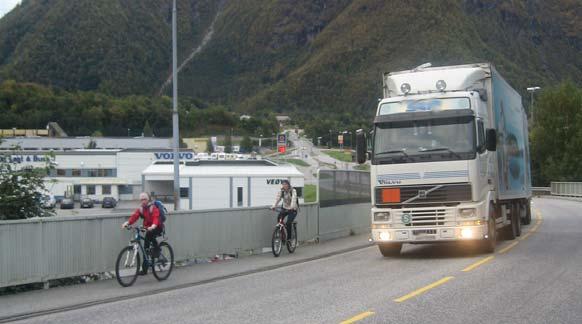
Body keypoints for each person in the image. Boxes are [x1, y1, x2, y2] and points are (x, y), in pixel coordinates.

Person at [121, 192, 163, 275]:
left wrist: (153, 225)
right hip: (148, 227)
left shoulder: (153, 207)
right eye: (142, 199)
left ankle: (157, 250)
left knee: (149, 238)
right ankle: (145, 269)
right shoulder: (141, 209)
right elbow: (135, 216)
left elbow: (156, 217)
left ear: (148, 199)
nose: (143, 201)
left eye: (145, 199)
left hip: (157, 227)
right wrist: (128, 223)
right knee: (146, 248)